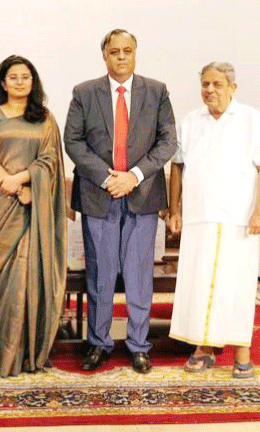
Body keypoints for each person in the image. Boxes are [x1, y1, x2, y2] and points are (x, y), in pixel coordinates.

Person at [64, 29, 177, 374]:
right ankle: (99, 343)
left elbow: (168, 140)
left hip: (142, 195)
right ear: (105, 56)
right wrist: (107, 178)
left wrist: (134, 176)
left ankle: (139, 345)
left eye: (128, 50)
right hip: (99, 196)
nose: (122, 57)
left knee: (139, 274)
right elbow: (73, 140)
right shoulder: (84, 93)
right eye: (115, 52)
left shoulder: (156, 91)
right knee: (100, 273)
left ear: (135, 53)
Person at [167, 62, 260, 378]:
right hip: (199, 218)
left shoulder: (250, 119)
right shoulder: (191, 121)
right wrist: (175, 210)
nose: (210, 90)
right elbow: (178, 166)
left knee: (237, 286)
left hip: (238, 220)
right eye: (205, 84)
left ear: (232, 87)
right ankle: (202, 348)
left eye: (217, 84)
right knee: (199, 285)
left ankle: (242, 351)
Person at [0, 55, 66, 377]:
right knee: (1, 276)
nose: (19, 82)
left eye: (25, 77)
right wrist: (11, 184)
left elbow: (50, 160)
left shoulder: (45, 118)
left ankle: (29, 349)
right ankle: (0, 349)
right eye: (12, 77)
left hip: (33, 206)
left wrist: (25, 180)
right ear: (3, 82)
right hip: (1, 203)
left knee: (30, 272)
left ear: (33, 81)